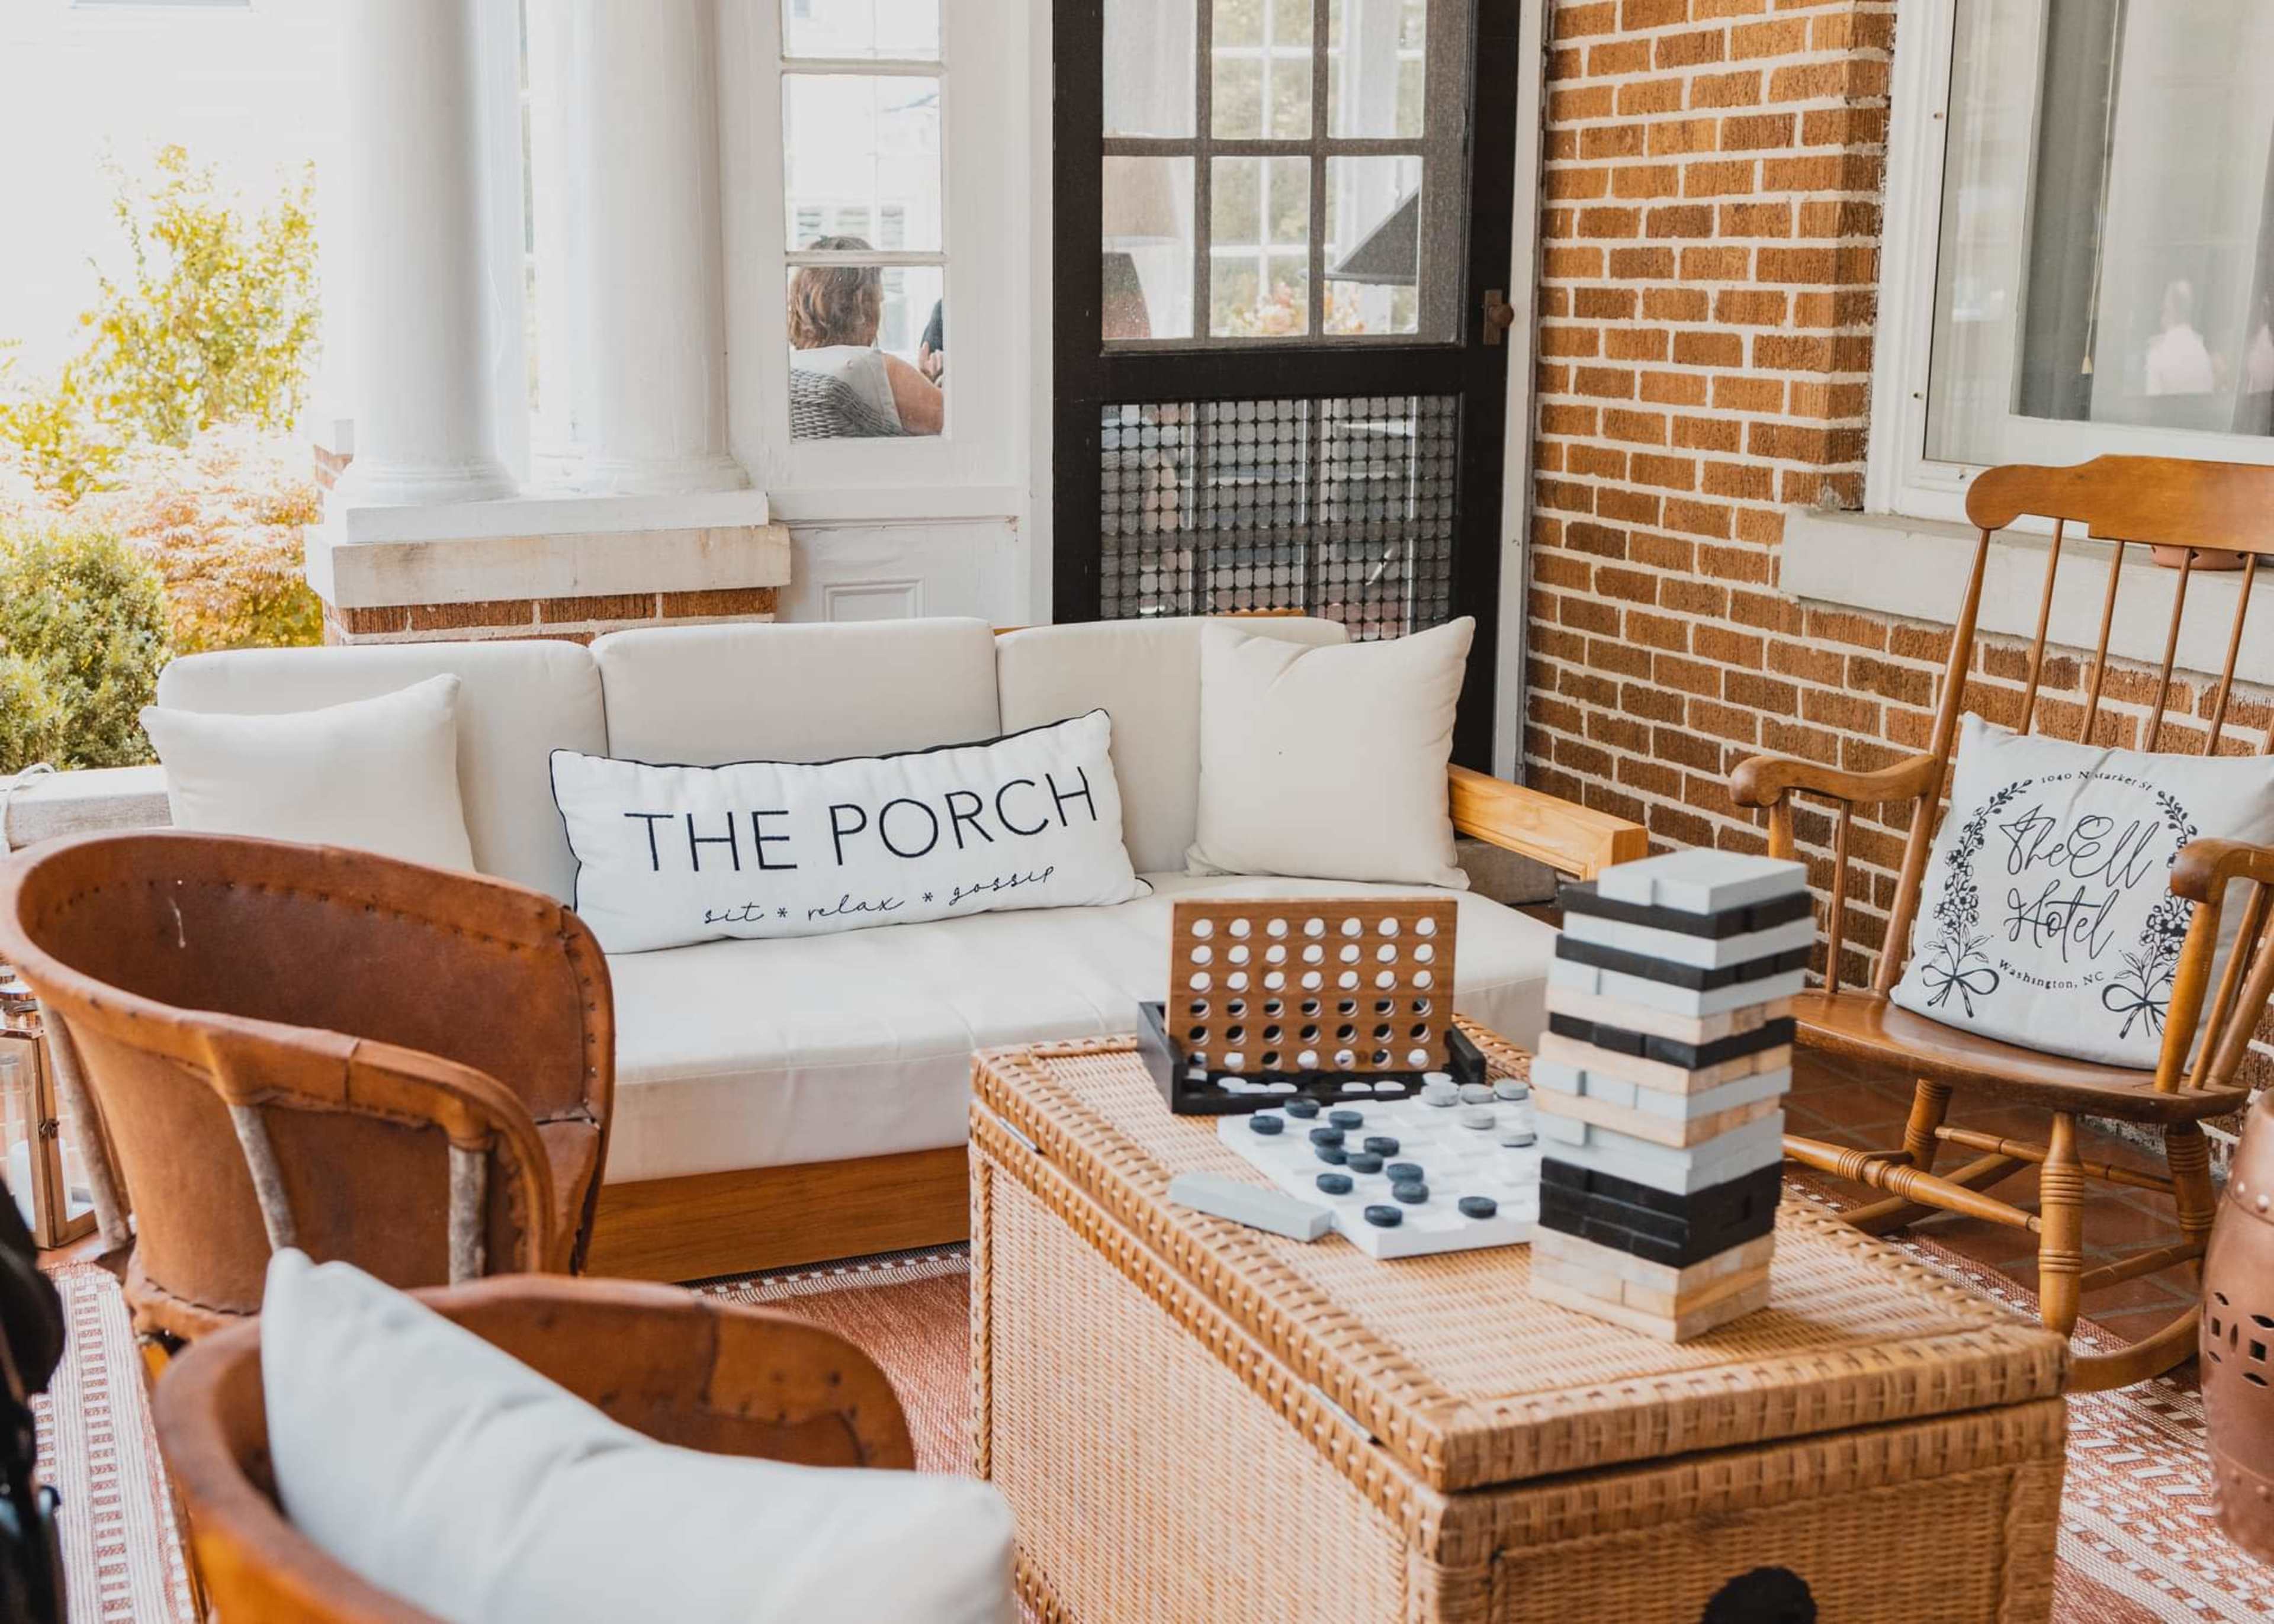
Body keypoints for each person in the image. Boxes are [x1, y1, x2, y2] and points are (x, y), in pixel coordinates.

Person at [786, 236, 942, 435]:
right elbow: (964, 426)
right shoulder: (878, 368)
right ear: (861, 306)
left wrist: (923, 382)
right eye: (877, 299)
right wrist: (935, 383)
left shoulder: (796, 368)